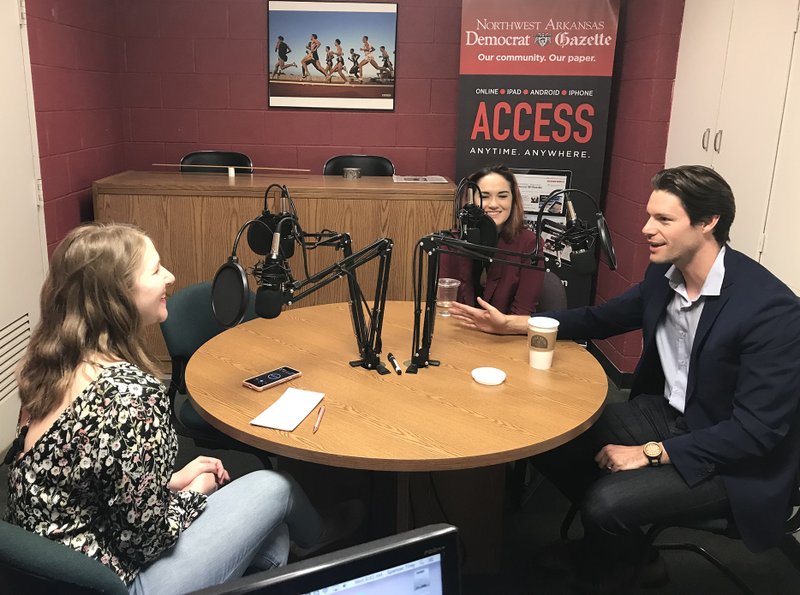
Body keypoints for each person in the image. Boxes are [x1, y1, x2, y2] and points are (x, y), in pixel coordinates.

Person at [449, 165, 800, 591]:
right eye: (650, 215)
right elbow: (599, 318)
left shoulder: (770, 310)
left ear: (709, 223)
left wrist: (649, 453)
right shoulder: (666, 275)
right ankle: (630, 556)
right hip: (670, 414)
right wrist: (514, 324)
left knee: (604, 504)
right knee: (545, 438)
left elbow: (754, 434)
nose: (646, 229)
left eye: (664, 220)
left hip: (735, 457)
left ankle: (611, 563)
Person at [3, 223, 361, 594]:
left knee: (273, 544)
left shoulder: (50, 368)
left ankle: (281, 552)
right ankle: (316, 539)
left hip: (62, 566)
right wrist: (196, 493)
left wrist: (166, 483)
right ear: (119, 294)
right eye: (156, 270)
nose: (170, 278)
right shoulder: (131, 398)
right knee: (276, 487)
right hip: (118, 581)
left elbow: (87, 480)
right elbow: (146, 542)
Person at [438, 164, 544, 315]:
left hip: (506, 334)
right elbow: (445, 306)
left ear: (513, 200)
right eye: (485, 196)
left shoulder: (530, 244)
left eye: (502, 196)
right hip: (459, 331)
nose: (493, 204)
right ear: (470, 202)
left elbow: (522, 313)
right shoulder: (451, 243)